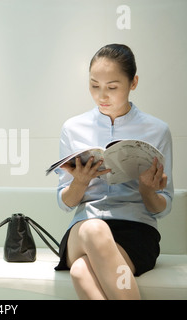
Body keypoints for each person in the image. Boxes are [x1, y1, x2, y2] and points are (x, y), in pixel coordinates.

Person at [54, 44, 174, 300]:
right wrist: (80, 183)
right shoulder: (73, 128)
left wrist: (146, 190)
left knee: (80, 272)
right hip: (83, 230)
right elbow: (65, 202)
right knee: (93, 228)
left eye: (112, 87)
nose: (101, 96)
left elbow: (163, 207)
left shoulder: (157, 130)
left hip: (136, 231)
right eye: (94, 85)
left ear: (133, 83)